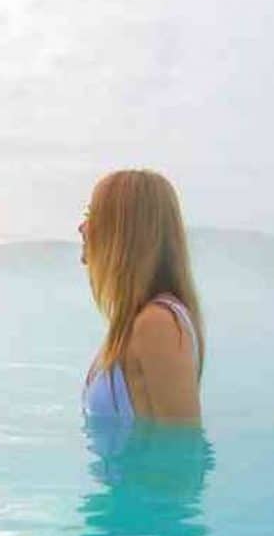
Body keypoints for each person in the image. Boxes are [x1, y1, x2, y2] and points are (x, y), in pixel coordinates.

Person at [78, 170, 205, 425]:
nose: (82, 227)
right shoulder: (138, 325)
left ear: (123, 232)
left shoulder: (159, 324)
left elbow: (183, 451)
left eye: (92, 215)